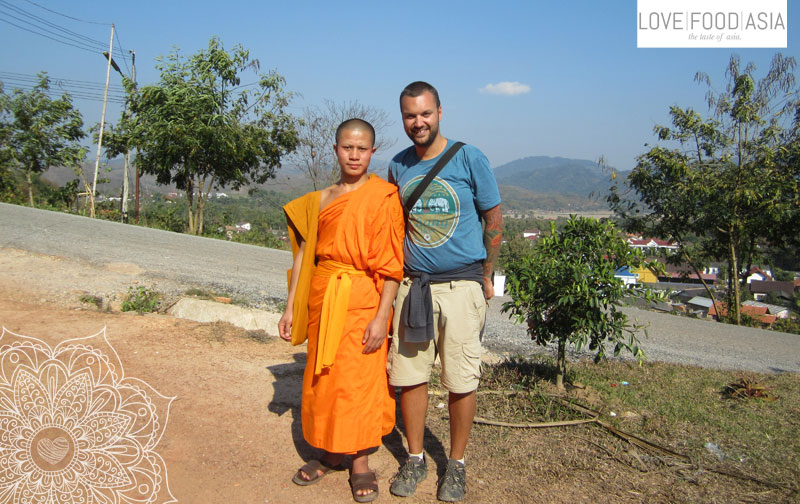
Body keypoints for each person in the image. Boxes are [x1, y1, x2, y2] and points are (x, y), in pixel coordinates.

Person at [386, 82, 503, 502]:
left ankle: (456, 465)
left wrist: (486, 274)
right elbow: (394, 225)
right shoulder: (398, 166)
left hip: (461, 286)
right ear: (403, 118)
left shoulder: (469, 157)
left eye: (425, 113)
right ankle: (415, 457)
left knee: (461, 379)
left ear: (440, 112)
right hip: (414, 286)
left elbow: (494, 219)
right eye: (410, 115)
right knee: (410, 377)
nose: (418, 122)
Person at [278, 118, 404, 503]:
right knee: (326, 378)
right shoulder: (321, 199)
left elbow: (392, 265)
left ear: (372, 152)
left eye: (362, 148)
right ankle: (331, 452)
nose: (354, 155)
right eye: (347, 147)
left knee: (360, 381)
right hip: (323, 297)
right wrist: (289, 308)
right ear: (336, 149)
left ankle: (360, 461)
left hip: (363, 298)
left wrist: (381, 317)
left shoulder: (383, 197)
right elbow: (304, 257)